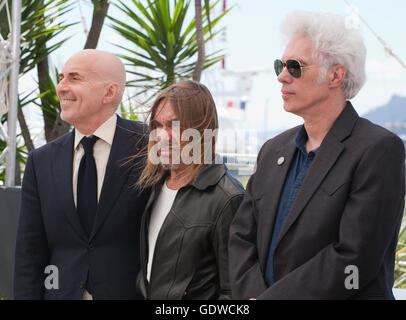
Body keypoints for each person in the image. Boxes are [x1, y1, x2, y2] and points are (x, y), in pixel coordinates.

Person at [229, 11, 405, 300]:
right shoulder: (273, 150)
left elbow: (354, 260)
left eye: (295, 67)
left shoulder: (378, 150)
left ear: (335, 75)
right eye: (280, 65)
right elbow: (240, 237)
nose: (281, 77)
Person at [14, 49, 150, 300]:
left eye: (74, 78)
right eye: (62, 77)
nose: (61, 87)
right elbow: (29, 252)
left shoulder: (150, 148)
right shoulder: (41, 161)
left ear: (109, 92)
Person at [136, 80, 244, 300]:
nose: (161, 136)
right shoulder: (152, 187)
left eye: (174, 126)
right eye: (157, 126)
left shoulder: (227, 197)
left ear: (201, 129)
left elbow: (232, 291)